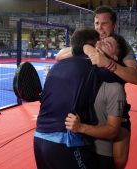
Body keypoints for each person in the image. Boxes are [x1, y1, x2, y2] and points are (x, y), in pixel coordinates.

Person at [57, 6, 137, 169]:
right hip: (87, 105)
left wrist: (109, 63)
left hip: (114, 105)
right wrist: (86, 48)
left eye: (104, 24)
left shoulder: (121, 44)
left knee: (118, 161)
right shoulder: (89, 39)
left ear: (114, 25)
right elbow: (59, 55)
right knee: (86, 156)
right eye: (97, 23)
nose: (99, 28)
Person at [34, 28, 124, 169]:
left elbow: (60, 55)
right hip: (64, 142)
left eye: (107, 43)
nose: (101, 43)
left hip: (38, 138)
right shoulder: (94, 66)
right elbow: (133, 78)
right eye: (99, 42)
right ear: (91, 45)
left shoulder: (57, 66)